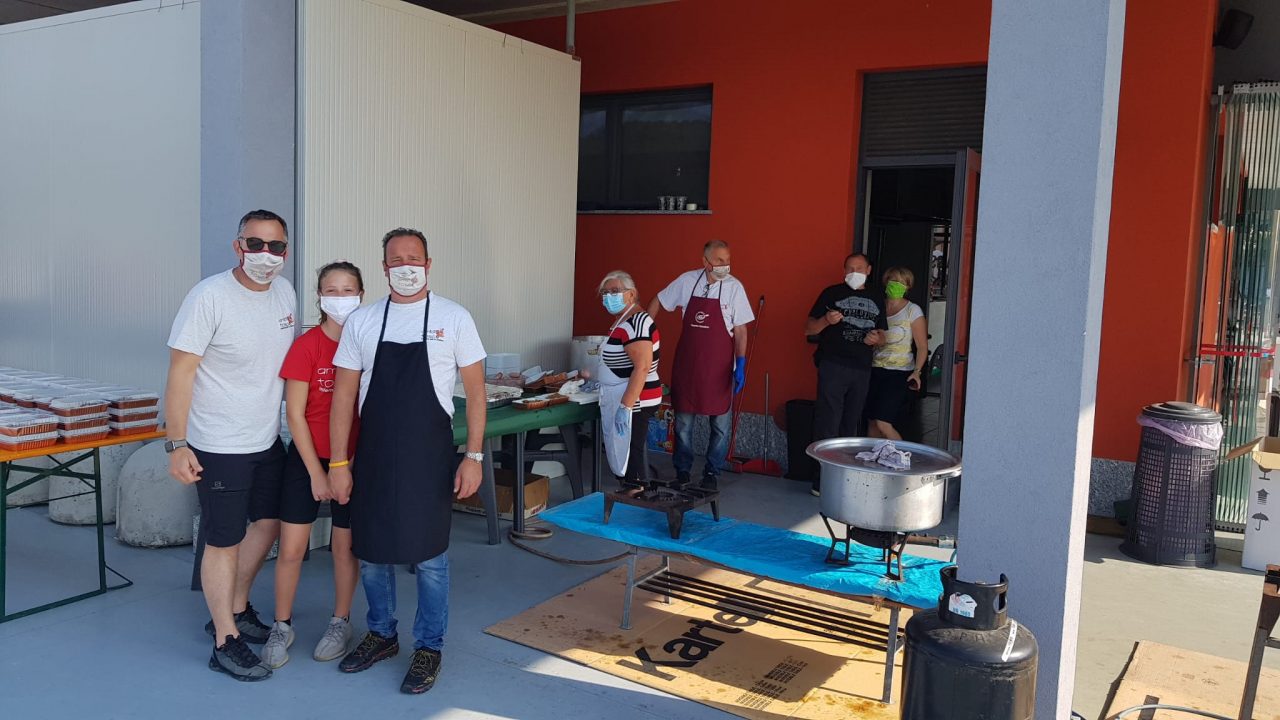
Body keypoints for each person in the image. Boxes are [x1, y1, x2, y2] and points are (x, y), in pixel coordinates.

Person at [327, 227, 487, 695]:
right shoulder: (364, 321)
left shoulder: (454, 318)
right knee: (373, 550)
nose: (406, 266)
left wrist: (473, 456)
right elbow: (343, 398)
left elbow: (476, 394)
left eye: (413, 258)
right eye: (396, 260)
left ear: (429, 264)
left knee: (431, 556)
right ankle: (381, 634)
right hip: (373, 454)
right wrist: (339, 464)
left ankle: (428, 646)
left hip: (430, 454)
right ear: (384, 268)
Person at [165, 209, 296, 681]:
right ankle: (224, 639)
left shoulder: (285, 292)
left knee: (269, 523)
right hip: (218, 443)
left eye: (276, 246)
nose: (266, 255)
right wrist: (176, 443)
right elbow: (180, 374)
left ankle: (235, 608)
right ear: (238, 245)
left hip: (267, 438)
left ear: (286, 251)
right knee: (223, 540)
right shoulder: (209, 297)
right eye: (255, 244)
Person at [259, 261, 365, 670]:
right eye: (331, 290)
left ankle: (341, 621)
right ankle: (281, 625)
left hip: (354, 461)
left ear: (361, 293)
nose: (340, 298)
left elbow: (369, 410)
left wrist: (348, 466)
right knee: (291, 547)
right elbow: (296, 414)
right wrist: (319, 471)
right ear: (319, 297)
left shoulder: (368, 344)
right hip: (306, 459)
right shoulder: (308, 347)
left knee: (344, 546)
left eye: (348, 289)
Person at [648, 240, 754, 490]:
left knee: (720, 424)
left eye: (727, 260)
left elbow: (740, 330)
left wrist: (740, 362)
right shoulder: (687, 281)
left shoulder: (734, 288)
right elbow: (658, 300)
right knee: (683, 423)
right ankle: (682, 471)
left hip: (719, 367)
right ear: (705, 261)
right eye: (718, 260)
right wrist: (644, 332)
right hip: (688, 365)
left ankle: (712, 472)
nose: (724, 265)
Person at [804, 253, 887, 496]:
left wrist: (876, 339)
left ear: (869, 270)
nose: (854, 272)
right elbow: (808, 328)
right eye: (850, 268)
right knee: (827, 421)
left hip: (861, 367)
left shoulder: (876, 298)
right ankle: (822, 479)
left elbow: (882, 335)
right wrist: (826, 321)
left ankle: (845, 476)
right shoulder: (831, 293)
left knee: (851, 422)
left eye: (859, 268)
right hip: (833, 364)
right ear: (843, 270)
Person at [596, 271, 662, 487]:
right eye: (605, 293)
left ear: (631, 294)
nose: (609, 297)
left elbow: (642, 367)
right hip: (624, 396)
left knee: (632, 457)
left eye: (615, 291)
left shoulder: (637, 322)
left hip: (636, 401)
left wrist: (626, 406)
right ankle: (632, 495)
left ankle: (636, 500)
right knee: (627, 455)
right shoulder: (622, 321)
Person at [865, 267, 928, 441]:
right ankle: (874, 462)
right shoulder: (877, 307)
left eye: (901, 282)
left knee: (883, 423)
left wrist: (917, 372)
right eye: (893, 280)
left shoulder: (912, 310)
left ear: (908, 286)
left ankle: (901, 458)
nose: (896, 285)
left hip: (899, 373)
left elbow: (922, 346)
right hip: (874, 369)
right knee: (871, 422)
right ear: (886, 282)